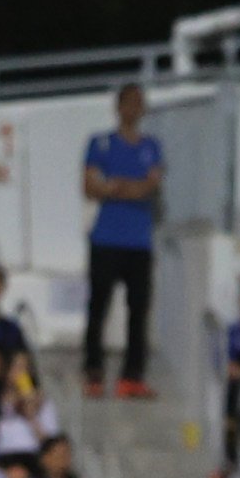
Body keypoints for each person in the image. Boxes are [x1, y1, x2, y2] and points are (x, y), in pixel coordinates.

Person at [81, 80, 163, 394]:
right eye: (127, 102)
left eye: (137, 102)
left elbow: (151, 187)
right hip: (105, 239)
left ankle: (132, 376)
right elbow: (89, 188)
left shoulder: (151, 146)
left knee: (138, 309)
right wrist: (130, 188)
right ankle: (93, 372)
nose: (132, 108)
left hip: (139, 242)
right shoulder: (99, 143)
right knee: (98, 307)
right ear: (118, 107)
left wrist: (115, 186)